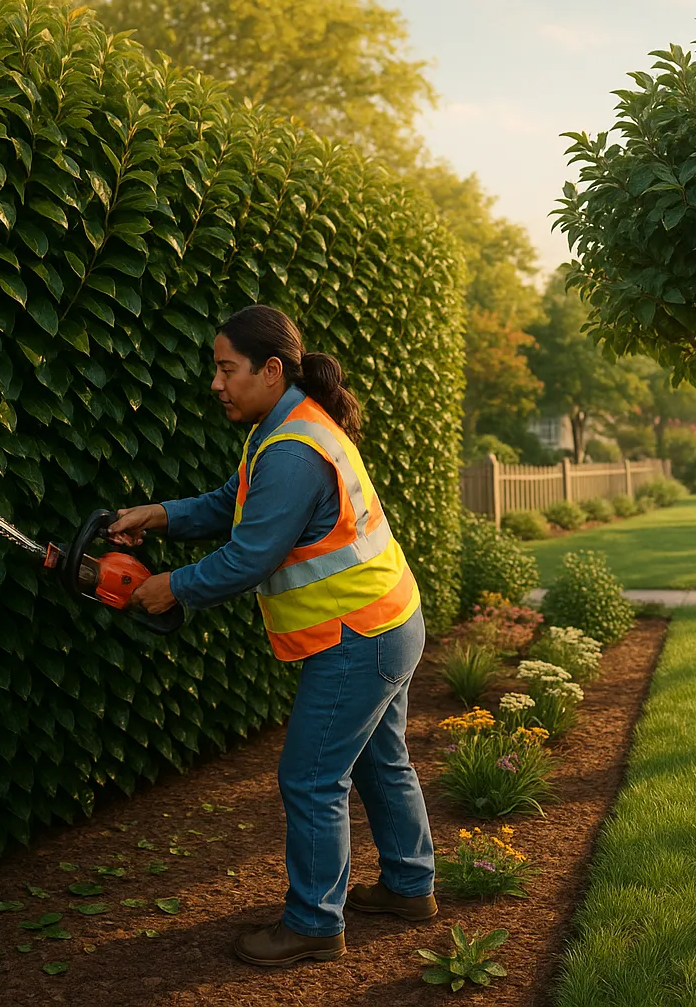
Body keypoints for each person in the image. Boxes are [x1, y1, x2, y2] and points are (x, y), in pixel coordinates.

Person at [108, 305, 437, 967]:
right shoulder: (286, 426)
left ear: (271, 368)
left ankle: (315, 923)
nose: (216, 383)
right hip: (391, 618)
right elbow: (232, 503)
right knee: (381, 760)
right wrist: (162, 516)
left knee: (311, 779)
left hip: (358, 636)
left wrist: (171, 586)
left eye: (226, 369)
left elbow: (248, 557)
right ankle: (409, 886)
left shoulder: (291, 448)